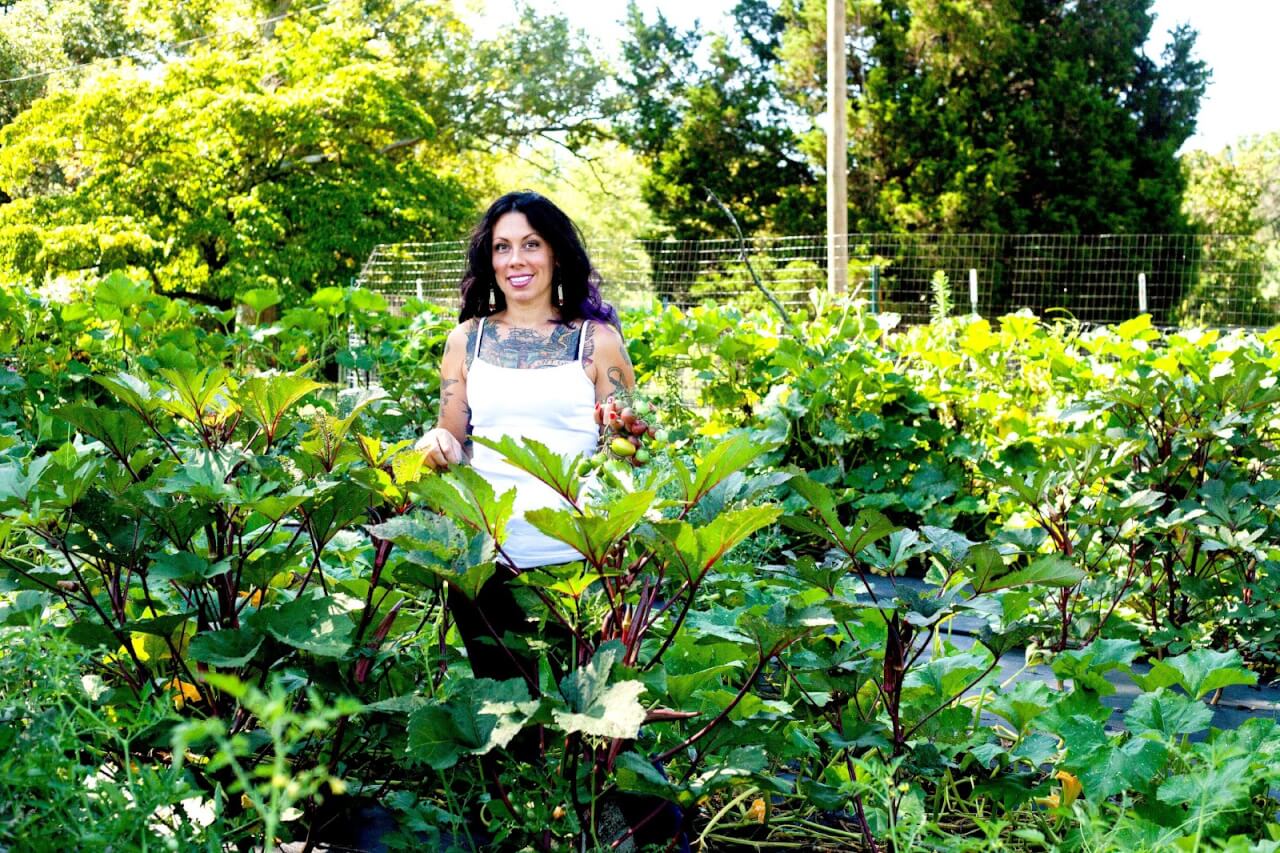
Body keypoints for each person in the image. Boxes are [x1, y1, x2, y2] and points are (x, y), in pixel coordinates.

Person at [416, 190, 636, 683]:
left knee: (581, 725)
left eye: (531, 244)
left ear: (556, 254)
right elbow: (451, 432)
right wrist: (436, 445)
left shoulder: (598, 341)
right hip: (486, 560)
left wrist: (626, 440)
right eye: (502, 247)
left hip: (577, 565)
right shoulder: (465, 341)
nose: (516, 259)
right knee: (505, 715)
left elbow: (626, 446)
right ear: (488, 259)